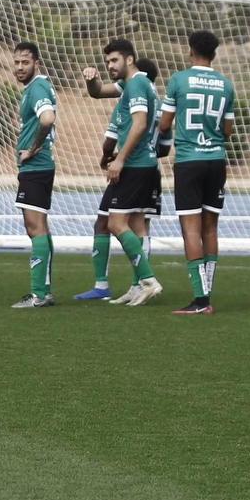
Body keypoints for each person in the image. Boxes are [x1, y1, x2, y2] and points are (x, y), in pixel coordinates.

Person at [80, 42, 165, 305]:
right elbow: (97, 92)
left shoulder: (137, 84)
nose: (110, 66)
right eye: (107, 62)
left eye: (114, 60)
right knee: (136, 225)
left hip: (136, 164)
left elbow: (139, 124)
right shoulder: (132, 84)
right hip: (143, 164)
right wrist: (91, 80)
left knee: (115, 224)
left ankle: (148, 280)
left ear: (130, 59)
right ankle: (138, 285)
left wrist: (120, 160)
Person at [158, 30, 236, 315]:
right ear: (214, 54)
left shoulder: (179, 79)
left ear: (191, 50)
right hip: (216, 160)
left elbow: (165, 123)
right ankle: (207, 292)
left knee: (190, 229)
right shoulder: (225, 85)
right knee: (210, 227)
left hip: (189, 161)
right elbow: (227, 130)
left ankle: (201, 300)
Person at [10, 42, 58, 309]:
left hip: (37, 166)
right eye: (16, 62)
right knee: (40, 227)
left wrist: (32, 148)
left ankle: (38, 294)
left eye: (25, 62)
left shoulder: (38, 86)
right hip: (37, 167)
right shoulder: (32, 88)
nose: (19, 67)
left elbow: (47, 118)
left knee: (35, 228)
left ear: (36, 63)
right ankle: (45, 291)